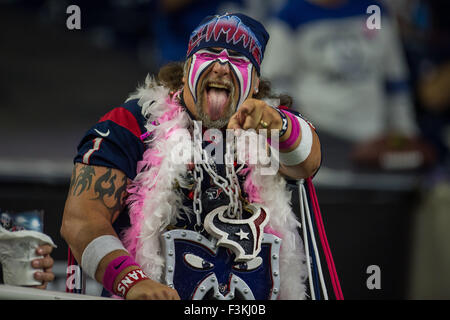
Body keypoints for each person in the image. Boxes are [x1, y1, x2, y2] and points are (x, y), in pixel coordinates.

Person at [61, 13, 321, 300]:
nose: (221, 67)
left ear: (256, 82)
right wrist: (133, 282)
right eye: (209, 54)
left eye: (236, 57)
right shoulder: (132, 123)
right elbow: (81, 220)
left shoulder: (273, 129)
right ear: (185, 73)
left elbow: (307, 162)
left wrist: (277, 124)